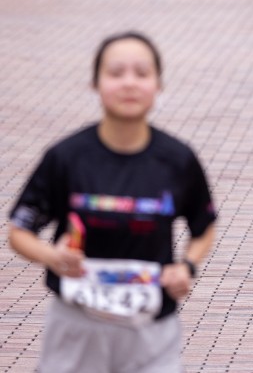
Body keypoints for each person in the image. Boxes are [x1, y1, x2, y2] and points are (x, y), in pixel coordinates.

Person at [8, 32, 217, 371]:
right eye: (116, 73)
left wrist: (187, 266)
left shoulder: (178, 160)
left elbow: (204, 226)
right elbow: (19, 231)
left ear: (158, 84)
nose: (129, 83)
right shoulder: (67, 157)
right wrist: (54, 257)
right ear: (96, 83)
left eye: (142, 73)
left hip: (151, 329)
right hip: (77, 326)